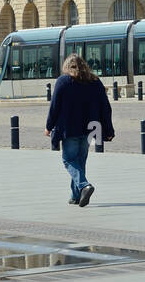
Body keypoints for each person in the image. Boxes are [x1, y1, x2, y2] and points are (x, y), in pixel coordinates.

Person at [44, 54, 114, 207]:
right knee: (80, 161)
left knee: (68, 160)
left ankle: (84, 186)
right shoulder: (95, 81)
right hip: (90, 129)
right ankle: (76, 196)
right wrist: (108, 129)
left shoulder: (63, 81)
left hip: (70, 129)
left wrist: (49, 126)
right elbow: (105, 108)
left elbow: (54, 106)